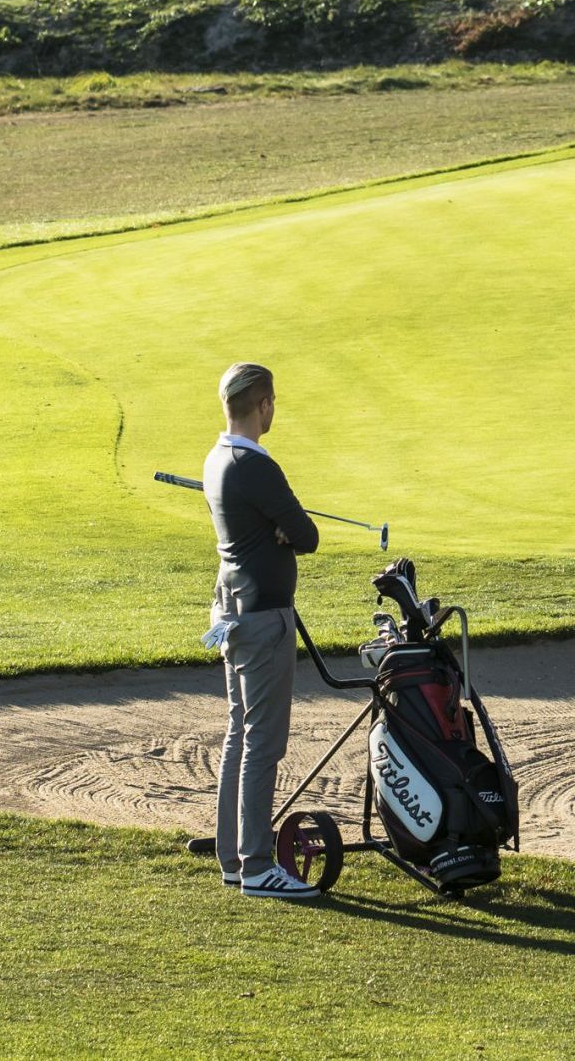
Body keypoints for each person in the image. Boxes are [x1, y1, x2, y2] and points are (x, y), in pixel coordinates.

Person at [205, 361, 323, 899]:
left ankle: (233, 858)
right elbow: (307, 535)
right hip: (263, 617)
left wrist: (279, 527)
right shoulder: (256, 467)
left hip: (233, 608)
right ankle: (255, 864)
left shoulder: (217, 458)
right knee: (262, 743)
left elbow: (289, 532)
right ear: (265, 406)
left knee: (240, 733)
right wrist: (284, 527)